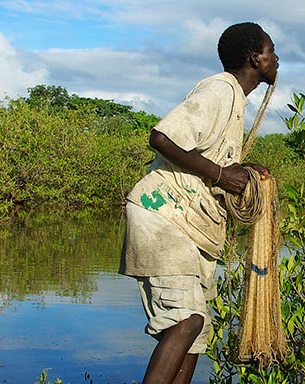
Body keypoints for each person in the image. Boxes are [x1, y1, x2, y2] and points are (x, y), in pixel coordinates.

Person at [119, 22, 278, 384]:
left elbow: (210, 159)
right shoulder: (221, 90)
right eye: (272, 52)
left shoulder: (234, 99)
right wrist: (223, 177)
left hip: (193, 228)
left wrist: (240, 171)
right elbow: (162, 137)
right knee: (185, 321)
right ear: (256, 58)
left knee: (196, 333)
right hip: (165, 217)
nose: (277, 59)